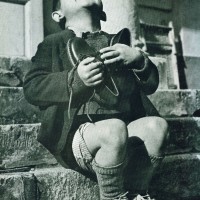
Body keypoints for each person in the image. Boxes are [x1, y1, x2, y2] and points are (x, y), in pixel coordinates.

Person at [23, 0, 168, 199]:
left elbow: (150, 86)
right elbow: (32, 86)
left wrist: (139, 59)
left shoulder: (118, 44)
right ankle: (112, 195)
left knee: (157, 127)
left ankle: (137, 192)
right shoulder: (54, 42)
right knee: (113, 129)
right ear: (58, 15)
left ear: (103, 13)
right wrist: (74, 80)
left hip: (123, 134)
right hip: (81, 135)